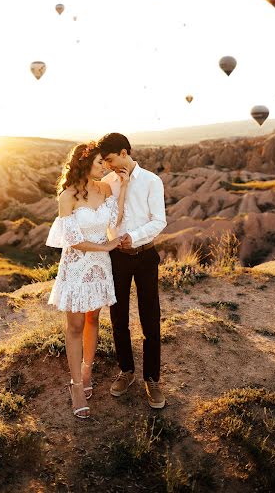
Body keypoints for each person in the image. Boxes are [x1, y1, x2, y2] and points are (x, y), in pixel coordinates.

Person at [46, 141, 128, 419]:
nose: (104, 167)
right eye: (98, 163)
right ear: (84, 163)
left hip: (100, 267)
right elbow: (71, 240)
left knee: (93, 319)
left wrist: (124, 187)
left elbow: (114, 218)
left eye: (105, 163)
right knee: (75, 325)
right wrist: (105, 247)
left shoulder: (104, 188)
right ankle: (76, 386)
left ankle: (87, 369)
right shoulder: (67, 196)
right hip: (77, 265)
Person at [98, 132, 167, 409]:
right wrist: (115, 238)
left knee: (151, 318)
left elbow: (159, 220)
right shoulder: (107, 183)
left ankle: (152, 379)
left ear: (125, 153)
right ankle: (126, 371)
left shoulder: (152, 180)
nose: (108, 166)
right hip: (117, 258)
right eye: (104, 162)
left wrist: (134, 236)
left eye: (111, 160)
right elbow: (109, 219)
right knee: (118, 317)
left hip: (146, 254)